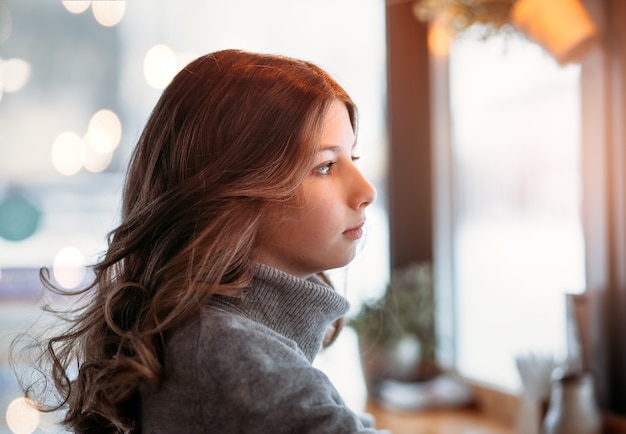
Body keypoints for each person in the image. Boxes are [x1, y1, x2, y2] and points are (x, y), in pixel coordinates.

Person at [22, 49, 382, 433]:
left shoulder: (214, 340)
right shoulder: (228, 355)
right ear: (232, 191)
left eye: (353, 158)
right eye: (325, 166)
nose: (366, 190)